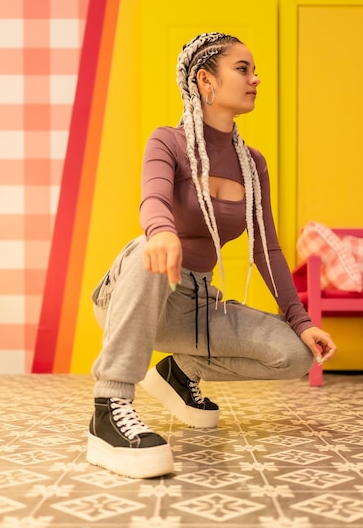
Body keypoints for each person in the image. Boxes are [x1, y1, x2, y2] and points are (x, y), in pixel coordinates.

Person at [87, 32, 337, 479]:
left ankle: (179, 372)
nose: (255, 79)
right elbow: (154, 200)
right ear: (206, 80)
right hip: (138, 291)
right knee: (149, 247)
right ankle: (110, 406)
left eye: (254, 70)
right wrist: (162, 232)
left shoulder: (252, 163)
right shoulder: (167, 141)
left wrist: (301, 320)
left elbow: (268, 247)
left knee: (296, 356)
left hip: (198, 304)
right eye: (242, 69)